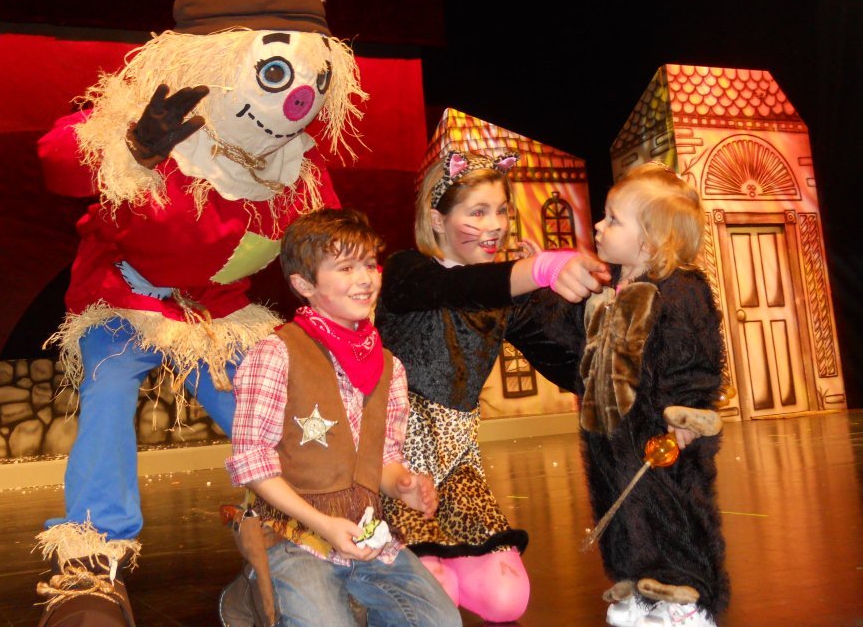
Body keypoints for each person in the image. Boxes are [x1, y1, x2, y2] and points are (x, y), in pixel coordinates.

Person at [33, 0, 364, 625]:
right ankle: (92, 562)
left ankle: (299, 531)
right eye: (273, 73)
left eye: (310, 78)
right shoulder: (150, 115)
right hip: (128, 299)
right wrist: (134, 148)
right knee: (108, 390)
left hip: (220, 315)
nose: (297, 98)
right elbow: (59, 158)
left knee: (272, 404)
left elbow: (328, 245)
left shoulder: (294, 164)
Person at [374, 150, 610, 623]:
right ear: (437, 220)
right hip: (388, 463)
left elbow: (570, 361)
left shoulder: (503, 295)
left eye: (501, 210)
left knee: (508, 599)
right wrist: (538, 270)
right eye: (477, 212)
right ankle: (381, 578)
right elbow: (460, 288)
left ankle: (430, 573)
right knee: (430, 593)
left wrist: (605, 303)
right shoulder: (406, 274)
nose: (495, 225)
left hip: (457, 462)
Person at [223, 208, 462, 627]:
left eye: (370, 264)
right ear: (304, 284)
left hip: (366, 535)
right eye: (346, 267)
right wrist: (324, 525)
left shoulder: (390, 367)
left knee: (442, 622)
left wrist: (401, 483)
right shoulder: (275, 354)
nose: (366, 278)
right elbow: (252, 462)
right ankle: (255, 585)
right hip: (294, 535)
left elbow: (383, 459)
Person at [542, 162, 730, 627]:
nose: (600, 226)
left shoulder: (681, 291)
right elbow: (578, 346)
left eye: (612, 219)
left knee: (671, 510)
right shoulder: (614, 291)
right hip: (611, 432)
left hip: (659, 433)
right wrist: (547, 283)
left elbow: (694, 355)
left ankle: (688, 598)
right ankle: (640, 586)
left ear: (649, 240)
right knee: (619, 505)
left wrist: (685, 418)